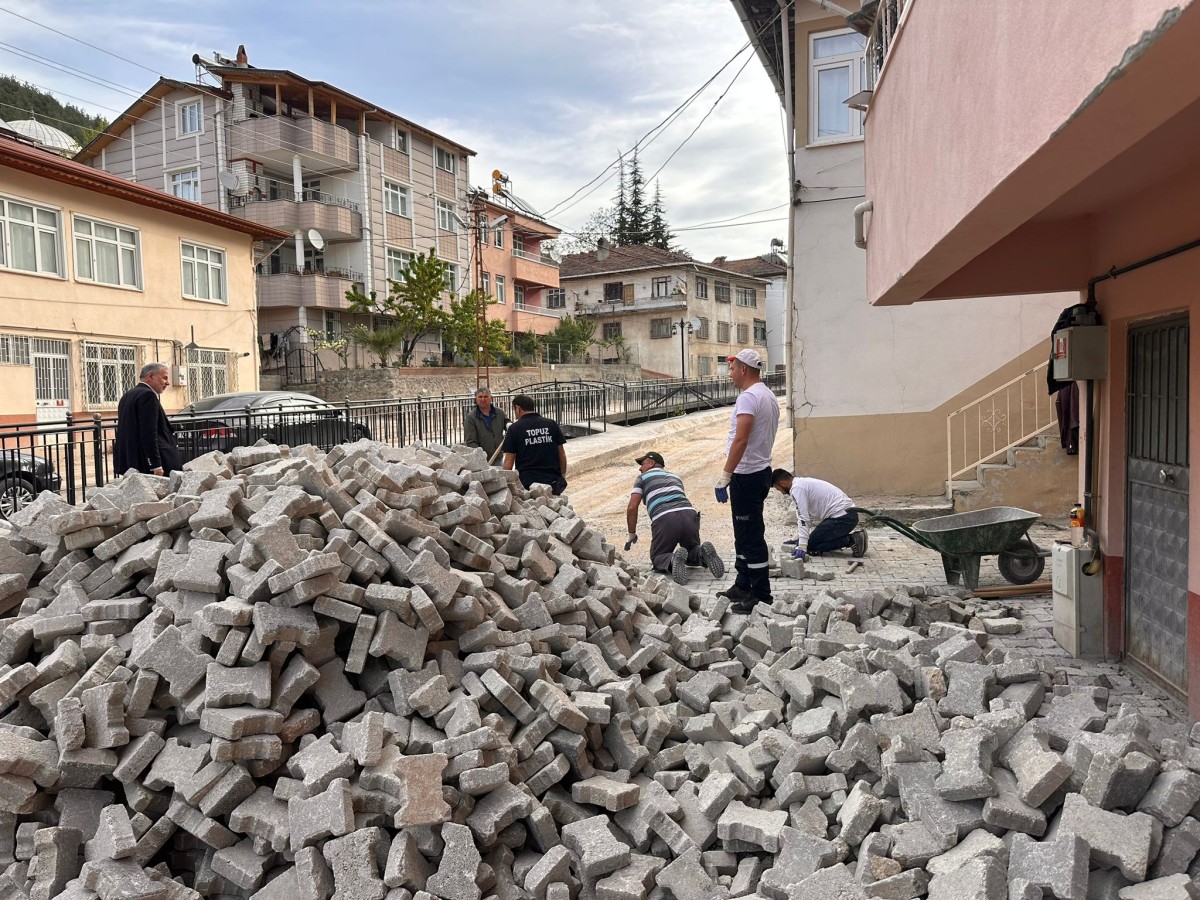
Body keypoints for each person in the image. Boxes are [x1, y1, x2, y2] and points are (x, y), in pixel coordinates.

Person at [714, 349, 779, 613]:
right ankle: (743, 584)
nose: (729, 374)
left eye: (732, 369)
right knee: (743, 533)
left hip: (747, 475)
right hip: (759, 471)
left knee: (750, 536)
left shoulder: (749, 398)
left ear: (743, 369)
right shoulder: (767, 395)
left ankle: (761, 594)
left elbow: (741, 440)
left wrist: (726, 475)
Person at [625, 451, 725, 585]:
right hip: (689, 514)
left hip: (666, 518)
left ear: (652, 463)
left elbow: (632, 507)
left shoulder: (642, 478)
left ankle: (672, 560)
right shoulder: (675, 477)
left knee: (658, 556)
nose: (640, 468)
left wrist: (632, 533)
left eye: (642, 464)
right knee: (691, 548)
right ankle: (701, 553)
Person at [771, 469, 867, 559]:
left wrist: (802, 546)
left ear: (782, 483)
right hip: (847, 516)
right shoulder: (801, 483)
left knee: (811, 546)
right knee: (813, 540)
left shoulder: (797, 489)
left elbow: (803, 519)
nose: (782, 493)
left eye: (779, 489)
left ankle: (852, 540)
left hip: (842, 519)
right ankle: (843, 540)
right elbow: (806, 515)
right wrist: (799, 537)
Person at [114, 362, 182, 477]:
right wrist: (155, 465)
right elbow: (149, 432)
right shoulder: (148, 395)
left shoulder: (128, 395)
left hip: (132, 461)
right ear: (151, 376)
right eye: (164, 378)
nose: (167, 383)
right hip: (147, 465)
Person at [502, 394, 567, 495]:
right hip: (552, 480)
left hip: (528, 483)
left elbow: (509, 460)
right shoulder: (551, 424)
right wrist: (562, 475)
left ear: (518, 408)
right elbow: (561, 453)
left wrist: (506, 484)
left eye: (514, 410)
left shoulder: (514, 429)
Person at [463, 386, 510, 461]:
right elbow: (470, 441)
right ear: (476, 399)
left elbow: (507, 423)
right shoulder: (471, 418)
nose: (483, 399)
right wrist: (481, 455)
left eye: (486, 397)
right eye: (480, 397)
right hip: (481, 461)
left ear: (491, 398)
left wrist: (508, 424)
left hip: (498, 458)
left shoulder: (500, 413)